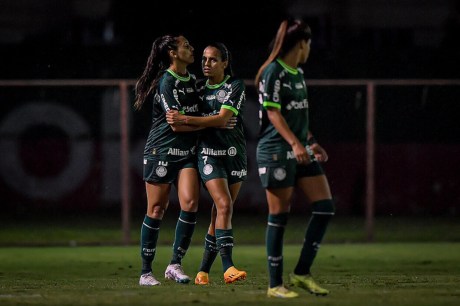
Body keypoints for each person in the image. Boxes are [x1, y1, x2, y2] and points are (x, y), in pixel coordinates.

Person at [254, 19, 335, 298]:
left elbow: (297, 117)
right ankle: (275, 284)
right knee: (279, 216)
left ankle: (301, 273)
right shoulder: (273, 72)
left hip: (298, 147)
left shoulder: (297, 73)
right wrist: (294, 143)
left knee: (325, 207)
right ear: (302, 44)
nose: (310, 49)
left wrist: (310, 142)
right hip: (276, 151)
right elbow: (273, 113)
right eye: (309, 43)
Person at [166, 42, 247, 285]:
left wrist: (192, 119)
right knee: (223, 204)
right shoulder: (198, 89)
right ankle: (228, 266)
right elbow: (214, 121)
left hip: (234, 153)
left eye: (213, 60)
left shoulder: (235, 86)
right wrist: (208, 121)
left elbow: (224, 119)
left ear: (225, 63)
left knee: (219, 213)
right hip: (208, 154)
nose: (206, 64)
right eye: (204, 59)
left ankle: (202, 271)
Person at [134, 34, 202, 286]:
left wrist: (199, 122)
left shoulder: (193, 80)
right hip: (161, 151)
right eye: (186, 45)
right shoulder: (166, 82)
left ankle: (174, 264)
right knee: (156, 209)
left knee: (191, 202)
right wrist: (209, 124)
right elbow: (175, 125)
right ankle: (145, 272)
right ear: (173, 53)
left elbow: (186, 120)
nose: (191, 48)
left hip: (186, 153)